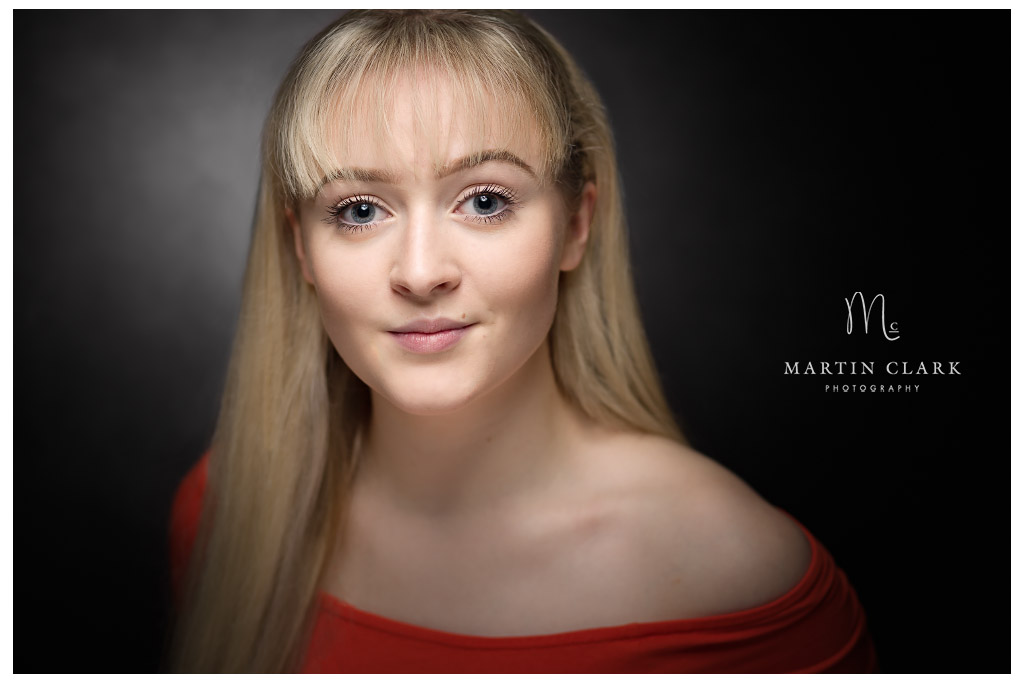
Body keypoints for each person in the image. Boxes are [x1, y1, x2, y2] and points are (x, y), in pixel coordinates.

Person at [168, 9, 878, 673]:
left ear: (575, 225)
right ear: (301, 248)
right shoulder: (232, 507)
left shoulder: (741, 576)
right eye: (359, 209)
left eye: (485, 200)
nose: (420, 272)